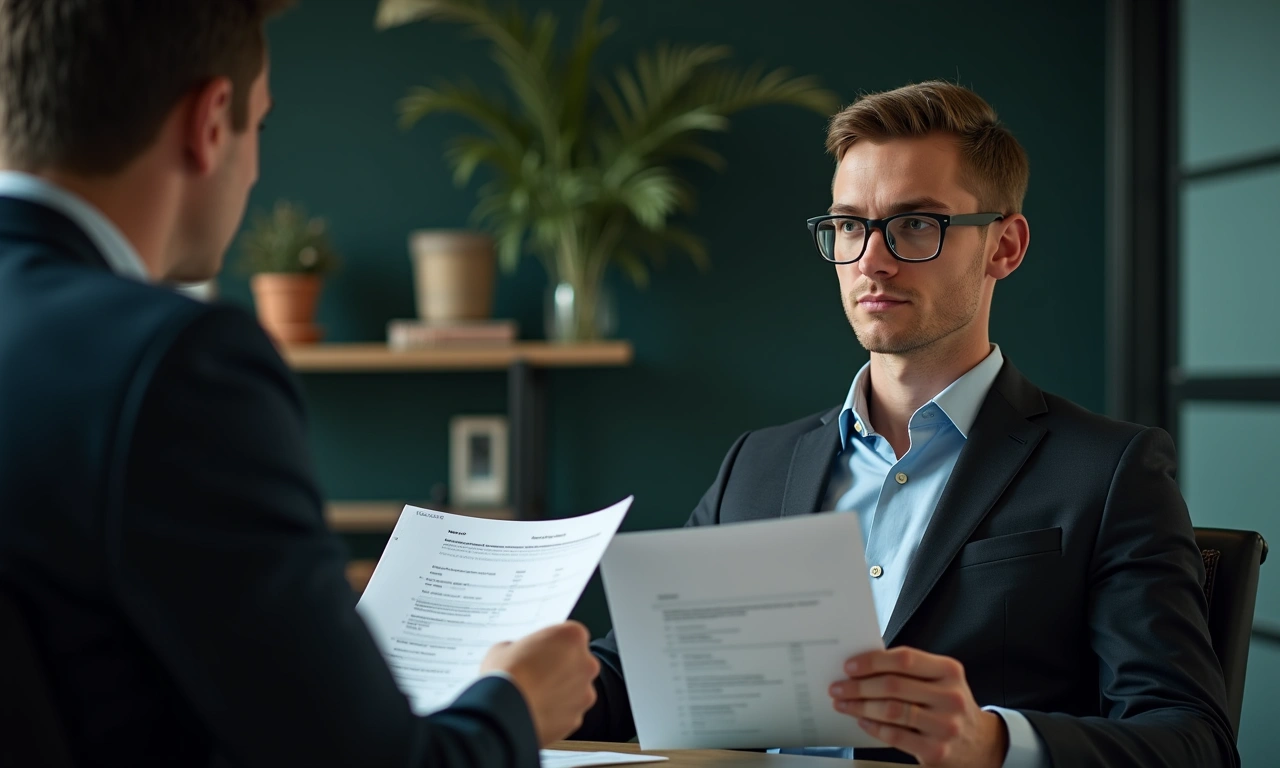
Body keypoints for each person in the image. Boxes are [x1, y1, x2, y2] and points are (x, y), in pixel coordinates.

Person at [0, 2, 597, 767]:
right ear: (211, 122)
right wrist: (513, 702)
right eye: (262, 127)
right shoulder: (174, 363)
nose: (254, 167)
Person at [575, 81, 1238, 767]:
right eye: (850, 225)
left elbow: (1194, 742)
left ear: (1004, 247)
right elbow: (631, 678)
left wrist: (991, 742)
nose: (871, 260)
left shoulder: (1108, 472)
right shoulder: (758, 464)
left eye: (917, 224)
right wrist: (510, 681)